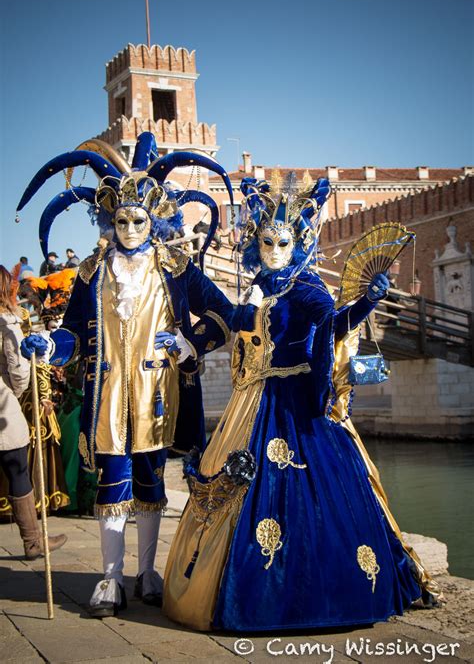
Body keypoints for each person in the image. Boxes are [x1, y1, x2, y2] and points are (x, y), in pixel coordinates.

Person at [163, 174, 441, 632]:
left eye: (283, 242)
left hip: (296, 403)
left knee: (314, 500)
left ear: (298, 243)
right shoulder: (258, 287)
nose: (274, 250)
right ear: (257, 243)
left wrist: (367, 304)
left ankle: (316, 594)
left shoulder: (306, 288)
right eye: (267, 241)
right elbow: (231, 322)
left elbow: (331, 322)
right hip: (253, 401)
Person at [18, 132, 235, 618]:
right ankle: (111, 578)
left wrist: (188, 344)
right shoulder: (92, 271)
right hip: (107, 396)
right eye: (122, 219)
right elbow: (73, 331)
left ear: (153, 218)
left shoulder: (177, 268)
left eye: (139, 219)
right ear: (109, 219)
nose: (131, 227)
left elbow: (224, 315)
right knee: (112, 485)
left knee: (150, 484)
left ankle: (147, 572)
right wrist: (50, 345)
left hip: (158, 396)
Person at [0, 265, 67, 558]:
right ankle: (32, 541)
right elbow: (19, 374)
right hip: (2, 405)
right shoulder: (7, 322)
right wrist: (12, 396)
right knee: (18, 468)